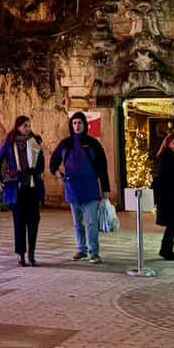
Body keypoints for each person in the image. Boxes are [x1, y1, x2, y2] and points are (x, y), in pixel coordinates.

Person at [49, 111, 111, 263]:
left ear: (85, 125)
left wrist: (106, 189)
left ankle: (94, 252)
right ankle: (81, 249)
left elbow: (103, 167)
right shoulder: (66, 143)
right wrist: (57, 173)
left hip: (90, 187)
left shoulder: (93, 143)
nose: (77, 126)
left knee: (91, 223)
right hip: (72, 188)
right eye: (75, 123)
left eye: (80, 123)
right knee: (77, 223)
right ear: (71, 125)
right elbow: (53, 161)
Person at [0, 116, 45, 267]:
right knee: (19, 222)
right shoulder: (10, 143)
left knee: (33, 221)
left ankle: (32, 253)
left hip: (32, 187)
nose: (27, 128)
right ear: (18, 127)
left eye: (29, 126)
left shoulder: (35, 142)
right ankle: (20, 255)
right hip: (17, 188)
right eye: (24, 126)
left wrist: (34, 169)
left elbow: (42, 164)